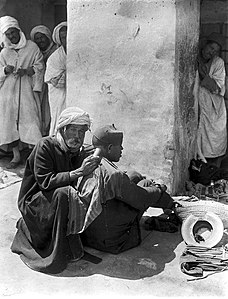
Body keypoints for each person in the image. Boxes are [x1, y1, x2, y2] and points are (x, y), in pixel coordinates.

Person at [11, 107, 101, 273]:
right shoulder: (45, 145)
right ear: (62, 129)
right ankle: (55, 254)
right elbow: (45, 182)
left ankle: (69, 239)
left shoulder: (77, 150)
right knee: (63, 193)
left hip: (53, 200)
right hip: (34, 201)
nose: (78, 137)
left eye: (82, 132)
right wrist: (79, 171)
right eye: (73, 130)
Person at [80, 124, 175, 254]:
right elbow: (142, 198)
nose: (122, 149)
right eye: (119, 146)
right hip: (113, 242)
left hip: (89, 236)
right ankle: (173, 206)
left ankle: (170, 205)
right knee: (146, 184)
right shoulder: (114, 175)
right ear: (109, 147)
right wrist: (159, 188)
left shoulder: (88, 157)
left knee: (134, 175)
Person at [0, 16, 44, 168]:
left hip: (26, 90)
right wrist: (5, 70)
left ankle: (33, 156)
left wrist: (28, 71)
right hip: (8, 93)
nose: (11, 36)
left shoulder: (32, 47)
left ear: (19, 30)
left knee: (31, 120)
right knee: (9, 122)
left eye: (13, 32)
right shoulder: (4, 52)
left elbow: (40, 66)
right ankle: (16, 155)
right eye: (8, 34)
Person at [195, 32, 227, 167]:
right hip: (199, 104)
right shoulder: (195, 57)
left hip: (214, 105)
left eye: (216, 51)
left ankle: (214, 168)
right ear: (205, 45)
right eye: (211, 48)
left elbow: (218, 86)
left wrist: (205, 76)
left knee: (216, 136)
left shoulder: (218, 62)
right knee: (200, 137)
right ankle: (200, 166)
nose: (212, 52)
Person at [30, 25, 58, 136]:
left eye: (42, 37)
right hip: (39, 87)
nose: (40, 40)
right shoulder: (35, 53)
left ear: (48, 36)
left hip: (52, 86)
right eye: (37, 38)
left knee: (51, 111)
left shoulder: (56, 50)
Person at [45, 21, 67, 136]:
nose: (66, 39)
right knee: (60, 116)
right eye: (63, 37)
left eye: (68, 35)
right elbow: (52, 79)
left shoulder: (78, 54)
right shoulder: (54, 58)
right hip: (59, 94)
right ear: (59, 39)